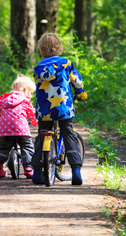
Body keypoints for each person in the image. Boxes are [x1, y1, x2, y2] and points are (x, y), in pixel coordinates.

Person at [31, 33, 88, 185]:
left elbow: (37, 84)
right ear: (59, 47)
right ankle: (76, 171)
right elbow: (76, 81)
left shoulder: (39, 68)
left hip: (44, 110)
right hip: (63, 108)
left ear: (41, 50)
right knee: (68, 134)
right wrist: (81, 94)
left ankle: (37, 173)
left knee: (42, 136)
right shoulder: (66, 64)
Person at [0, 74, 38, 178]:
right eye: (30, 93)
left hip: (5, 130)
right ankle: (28, 169)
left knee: (2, 147)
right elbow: (32, 112)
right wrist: (35, 121)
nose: (30, 96)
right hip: (21, 129)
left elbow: (0, 113)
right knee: (27, 147)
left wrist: (1, 126)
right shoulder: (24, 100)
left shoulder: (4, 100)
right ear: (23, 89)